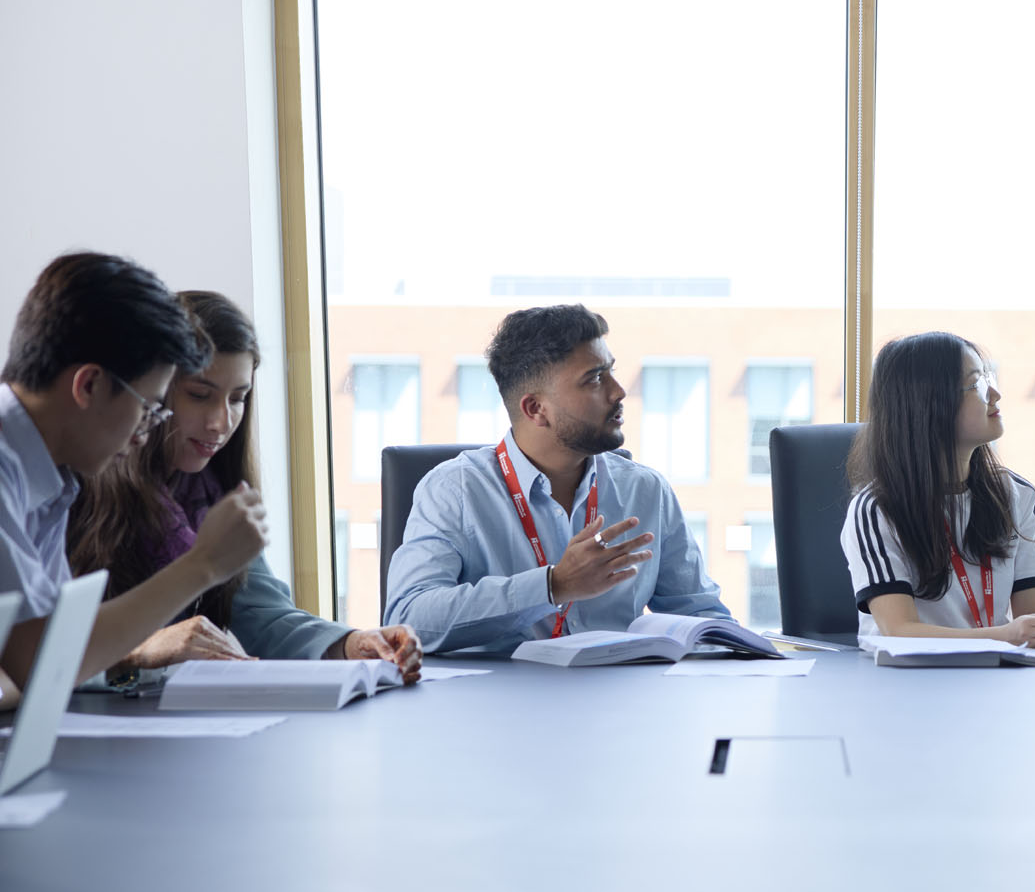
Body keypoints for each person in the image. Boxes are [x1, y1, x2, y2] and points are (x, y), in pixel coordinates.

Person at [67, 291, 420, 681]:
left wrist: (352, 643)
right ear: (155, 388)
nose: (221, 422)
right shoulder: (73, 482)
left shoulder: (211, 491)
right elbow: (29, 657)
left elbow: (262, 614)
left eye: (238, 398)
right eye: (200, 395)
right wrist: (136, 651)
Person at [0, 253, 268, 705]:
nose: (145, 434)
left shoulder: (51, 482)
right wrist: (202, 565)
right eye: (147, 408)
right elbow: (43, 662)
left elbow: (45, 659)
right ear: (88, 386)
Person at [386, 304, 730, 654]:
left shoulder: (645, 490)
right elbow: (407, 619)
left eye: (610, 372)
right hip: (498, 701)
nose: (618, 392)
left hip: (620, 698)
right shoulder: (453, 490)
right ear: (535, 409)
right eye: (595, 379)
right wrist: (553, 585)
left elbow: (701, 616)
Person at [842, 332, 1035, 647]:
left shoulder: (1017, 496)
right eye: (976, 385)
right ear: (930, 404)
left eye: (987, 378)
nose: (995, 394)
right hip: (904, 684)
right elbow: (900, 632)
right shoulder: (878, 509)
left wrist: (1021, 637)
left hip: (994, 678)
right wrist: (1005, 636)